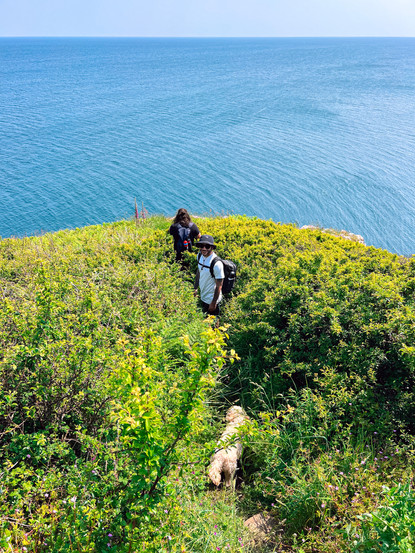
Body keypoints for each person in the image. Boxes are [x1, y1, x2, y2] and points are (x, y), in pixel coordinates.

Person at [194, 235, 224, 316]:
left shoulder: (217, 263)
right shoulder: (199, 256)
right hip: (203, 296)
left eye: (207, 246)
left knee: (214, 323)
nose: (204, 249)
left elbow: (219, 285)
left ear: (212, 247)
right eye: (201, 246)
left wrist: (213, 303)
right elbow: (199, 271)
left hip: (212, 299)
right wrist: (195, 288)